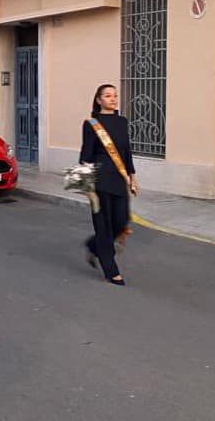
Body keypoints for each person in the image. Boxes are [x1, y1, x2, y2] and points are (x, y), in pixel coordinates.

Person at [81, 84, 138, 286]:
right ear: (98, 100)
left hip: (119, 179)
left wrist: (132, 176)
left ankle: (94, 245)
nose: (113, 99)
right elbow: (86, 156)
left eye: (115, 95)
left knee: (121, 221)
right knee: (104, 226)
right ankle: (111, 269)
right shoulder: (92, 124)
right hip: (99, 180)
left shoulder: (122, 122)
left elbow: (126, 151)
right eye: (107, 96)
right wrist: (87, 186)